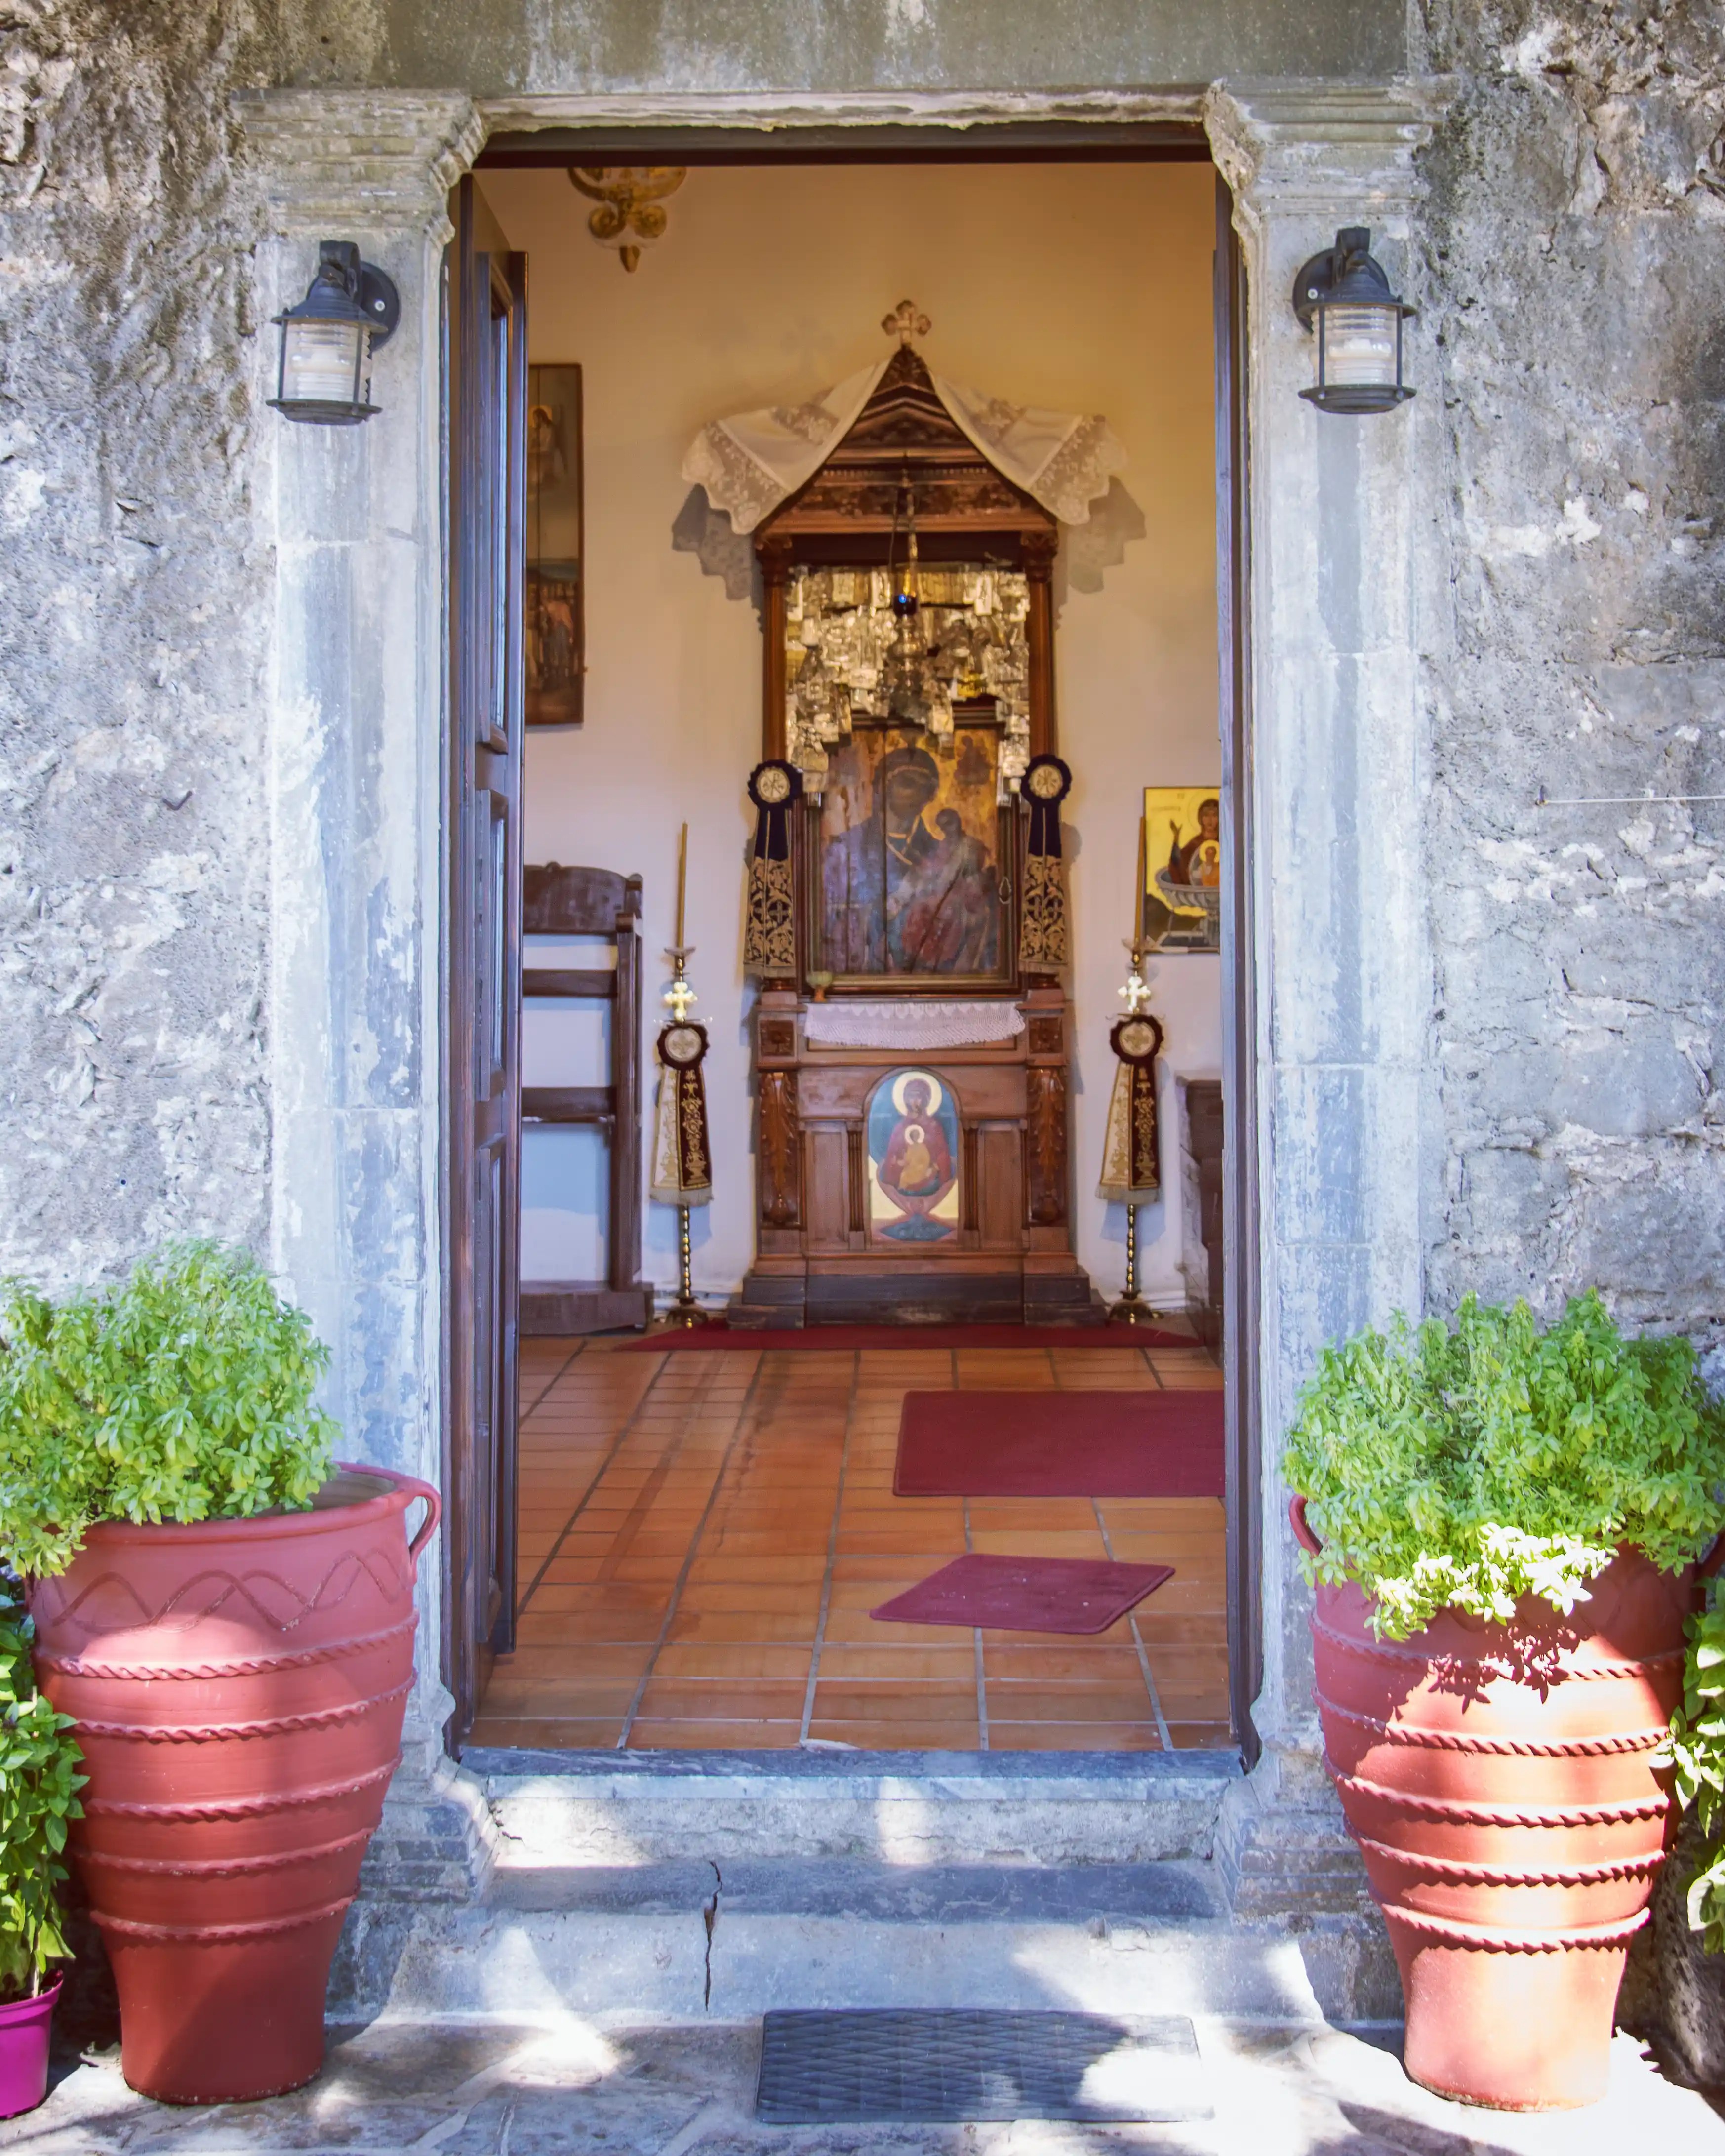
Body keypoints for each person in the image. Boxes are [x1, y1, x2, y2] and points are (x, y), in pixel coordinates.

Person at [877, 1077, 955, 1226]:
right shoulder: (900, 1128)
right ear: (905, 1099)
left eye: (919, 1096)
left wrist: (939, 1169)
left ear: (926, 1099)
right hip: (907, 1176)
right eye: (911, 1096)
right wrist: (897, 1164)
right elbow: (893, 1156)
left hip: (929, 1177)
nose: (915, 1101)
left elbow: (942, 1155)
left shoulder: (934, 1126)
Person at [1168, 797, 1221, 888]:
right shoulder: (1195, 843)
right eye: (1206, 815)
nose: (1210, 820)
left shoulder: (1225, 843)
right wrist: (1176, 839)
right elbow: (1178, 864)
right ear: (1201, 818)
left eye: (1214, 815)